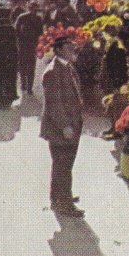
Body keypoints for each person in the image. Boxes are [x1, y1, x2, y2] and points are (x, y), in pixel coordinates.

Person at [40, 36, 85, 217]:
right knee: (63, 165)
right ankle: (64, 203)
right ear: (58, 50)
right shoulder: (52, 71)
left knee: (64, 164)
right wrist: (65, 126)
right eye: (69, 47)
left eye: (73, 46)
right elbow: (54, 103)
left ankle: (58, 196)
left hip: (72, 125)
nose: (73, 50)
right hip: (60, 128)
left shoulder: (68, 67)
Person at [15, 2, 44, 95]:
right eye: (32, 8)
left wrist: (39, 44)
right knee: (23, 66)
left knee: (31, 67)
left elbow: (41, 33)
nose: (34, 11)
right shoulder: (22, 17)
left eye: (35, 9)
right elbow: (16, 31)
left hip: (32, 46)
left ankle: (29, 87)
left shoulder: (38, 19)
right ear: (29, 8)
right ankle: (23, 84)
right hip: (23, 45)